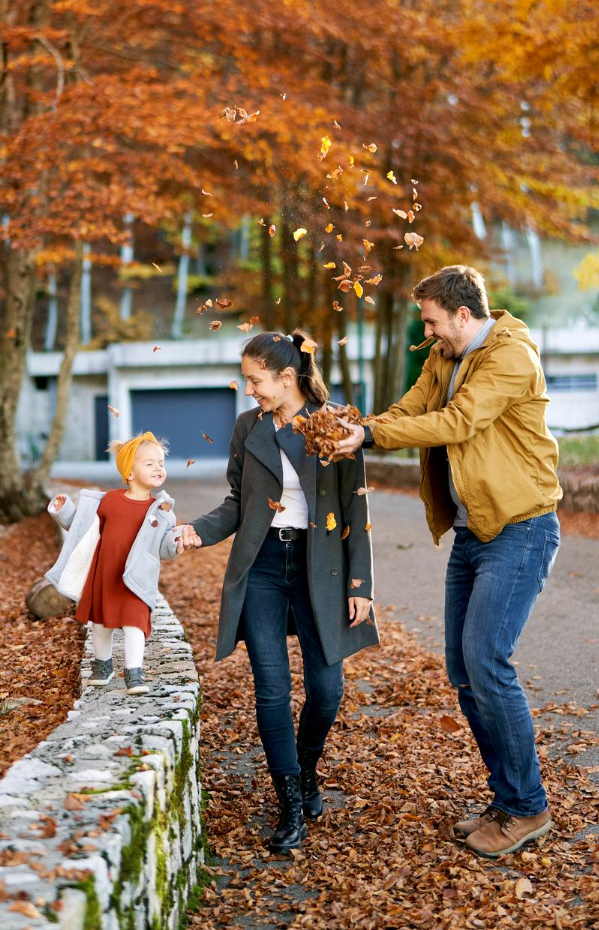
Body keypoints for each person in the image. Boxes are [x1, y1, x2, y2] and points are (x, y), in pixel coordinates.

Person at [335, 265, 562, 859]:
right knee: (463, 672)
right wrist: (358, 426)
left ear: (464, 315)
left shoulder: (511, 358)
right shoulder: (446, 355)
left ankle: (528, 808)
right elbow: (411, 408)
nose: (429, 334)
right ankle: (508, 797)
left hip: (520, 528)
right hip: (472, 533)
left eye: (434, 322)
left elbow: (458, 423)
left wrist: (371, 439)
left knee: (486, 660)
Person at [177, 330, 378, 853]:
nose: (249, 390)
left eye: (255, 380)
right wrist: (198, 530)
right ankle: (289, 802)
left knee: (327, 690)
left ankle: (304, 768)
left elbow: (355, 508)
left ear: (286, 377)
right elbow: (235, 502)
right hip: (263, 566)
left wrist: (361, 584)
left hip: (321, 569)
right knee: (271, 690)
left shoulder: (336, 425)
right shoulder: (249, 427)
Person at [66, 433, 180, 695]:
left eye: (161, 463)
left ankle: (134, 672)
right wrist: (63, 511)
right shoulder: (108, 501)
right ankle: (102, 666)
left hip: (137, 577)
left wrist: (176, 543)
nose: (158, 468)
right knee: (101, 623)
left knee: (134, 622)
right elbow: (82, 529)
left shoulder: (161, 510)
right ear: (129, 472)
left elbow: (164, 547)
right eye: (149, 463)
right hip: (106, 573)